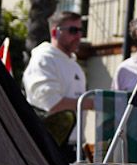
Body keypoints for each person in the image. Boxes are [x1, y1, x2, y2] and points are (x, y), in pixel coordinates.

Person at [23, 12, 89, 146]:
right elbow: (52, 105)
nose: (78, 36)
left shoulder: (74, 64)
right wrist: (92, 103)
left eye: (81, 30)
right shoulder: (44, 59)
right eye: (73, 30)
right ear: (54, 32)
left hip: (74, 145)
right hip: (50, 145)